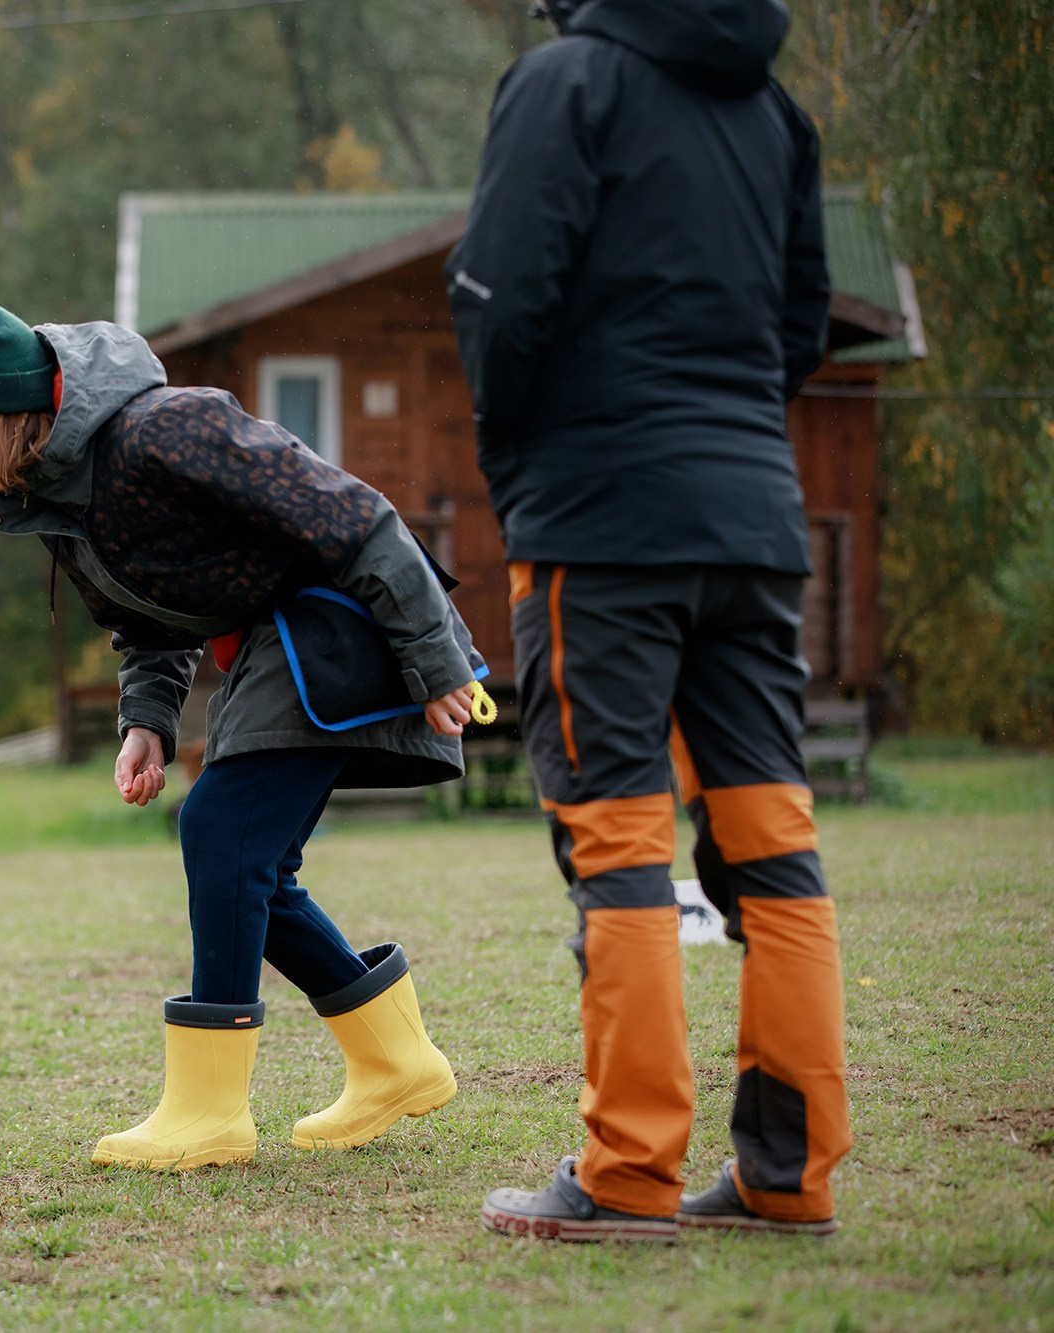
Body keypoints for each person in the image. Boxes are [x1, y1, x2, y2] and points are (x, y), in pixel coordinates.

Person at [0, 288, 488, 1169]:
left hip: (339, 626)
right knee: (247, 859)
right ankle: (396, 1061)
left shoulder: (166, 431)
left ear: (18, 408)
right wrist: (145, 719)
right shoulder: (55, 491)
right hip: (272, 641)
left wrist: (435, 656)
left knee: (221, 831)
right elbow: (146, 613)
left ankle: (211, 1112)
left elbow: (355, 515)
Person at [446, 0, 851, 1240]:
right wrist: (724, 440)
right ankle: (786, 1177)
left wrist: (522, 468)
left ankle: (625, 1172)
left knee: (616, 837)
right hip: (752, 524)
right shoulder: (772, 111)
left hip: (599, 524)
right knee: (769, 840)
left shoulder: (564, 82)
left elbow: (499, 300)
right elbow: (803, 319)